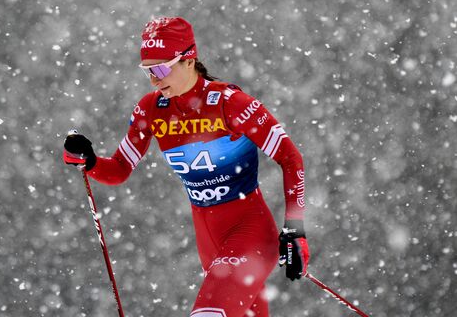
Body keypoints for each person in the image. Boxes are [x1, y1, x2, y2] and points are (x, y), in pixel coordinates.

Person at [63, 17, 310, 317]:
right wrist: (89, 161)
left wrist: (295, 230)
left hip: (249, 235)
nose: (154, 80)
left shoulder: (230, 103)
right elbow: (119, 168)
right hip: (209, 243)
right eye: (148, 71)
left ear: (189, 59)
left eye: (161, 68)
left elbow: (290, 157)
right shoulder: (152, 109)